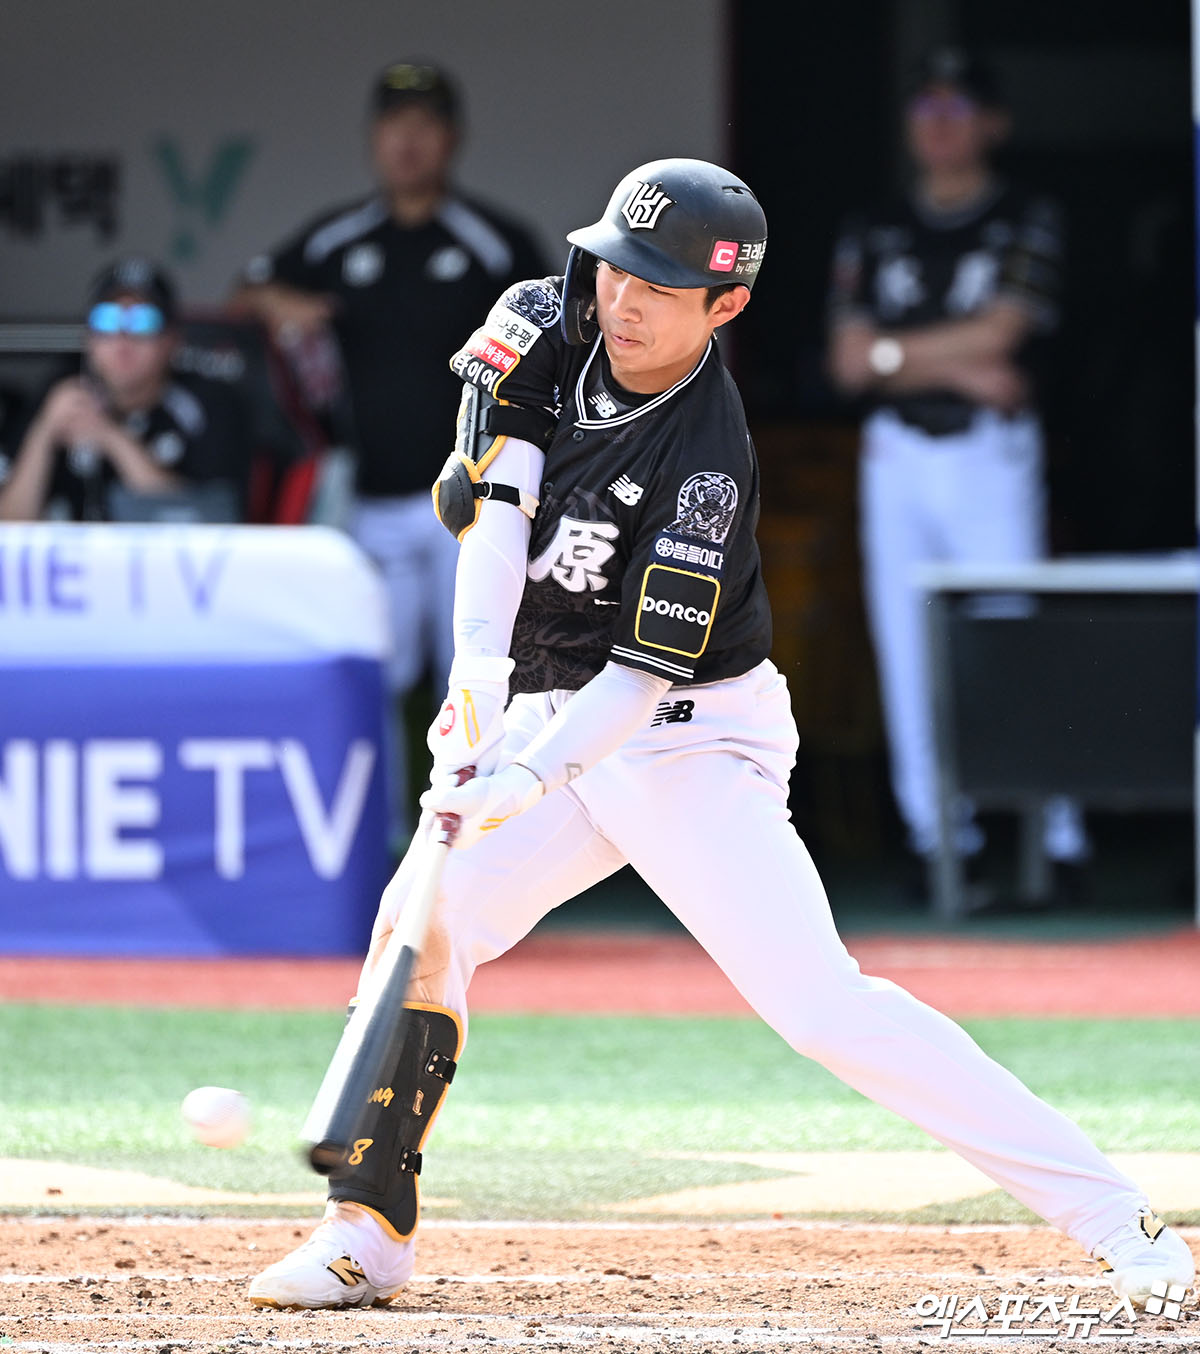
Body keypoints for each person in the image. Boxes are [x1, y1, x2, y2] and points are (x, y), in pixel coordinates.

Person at [246, 158, 1194, 1313]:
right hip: (543, 693)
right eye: (615, 266)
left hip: (687, 740)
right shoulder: (539, 319)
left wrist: (532, 772)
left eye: (658, 282)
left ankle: (1119, 1218)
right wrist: (479, 680)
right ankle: (365, 1232)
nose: (623, 298)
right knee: (424, 922)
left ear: (726, 303)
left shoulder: (705, 461)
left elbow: (644, 678)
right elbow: (496, 512)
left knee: (823, 1007)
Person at [232, 60, 548, 843]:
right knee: (367, 673)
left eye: (426, 125)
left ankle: (493, 837)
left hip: (471, 500)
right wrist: (286, 304)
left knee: (483, 672)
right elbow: (245, 294)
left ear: (453, 139)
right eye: (394, 124)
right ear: (374, 138)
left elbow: (558, 328)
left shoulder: (493, 242)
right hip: (365, 497)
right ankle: (375, 840)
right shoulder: (341, 238)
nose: (408, 142)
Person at [825, 47, 1089, 896]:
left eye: (957, 108)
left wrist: (900, 353)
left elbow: (1005, 332)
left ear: (992, 123)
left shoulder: (1026, 216)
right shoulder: (875, 226)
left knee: (1010, 633)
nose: (938, 124)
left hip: (988, 452)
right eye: (925, 107)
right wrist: (950, 359)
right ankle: (939, 839)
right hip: (897, 454)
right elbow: (847, 363)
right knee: (907, 647)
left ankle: (1055, 836)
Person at [0, 258, 253, 523]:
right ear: (89, 338)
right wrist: (44, 433)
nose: (123, 338)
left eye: (143, 321)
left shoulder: (208, 403)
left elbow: (203, 520)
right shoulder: (57, 396)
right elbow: (8, 525)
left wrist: (110, 436)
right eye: (106, 320)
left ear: (172, 340)